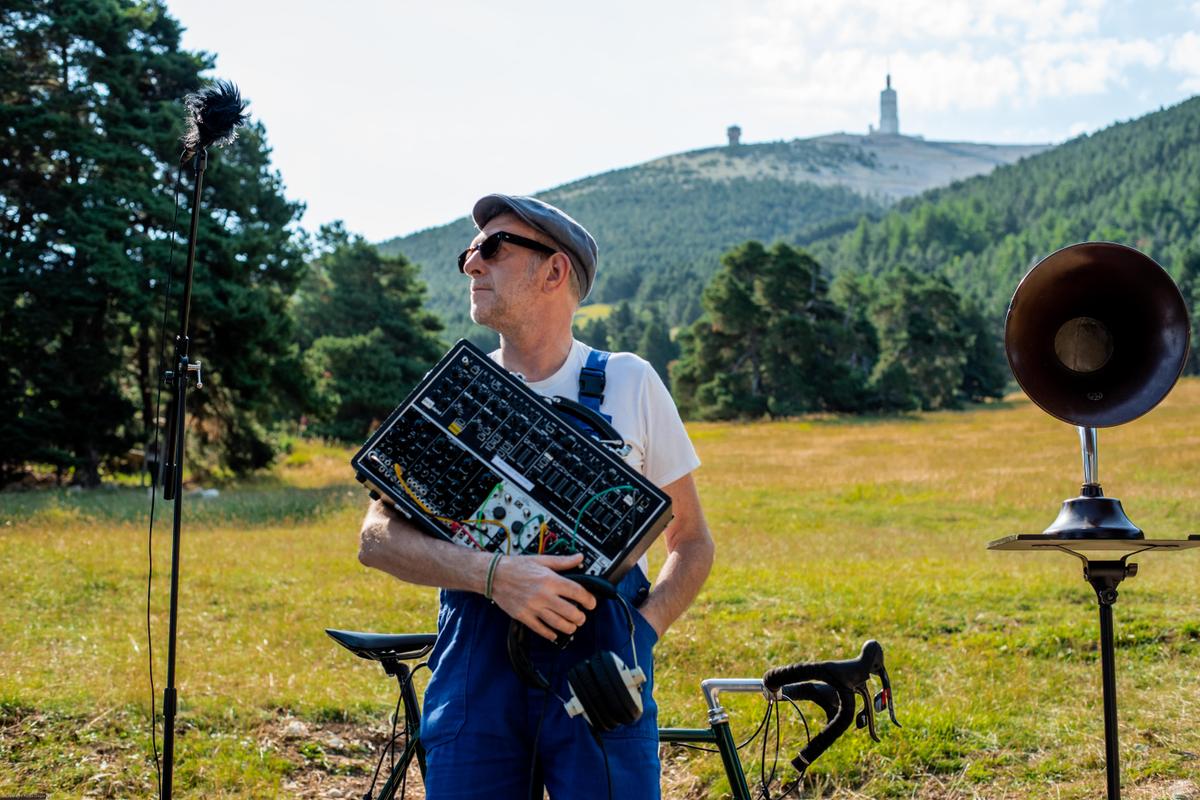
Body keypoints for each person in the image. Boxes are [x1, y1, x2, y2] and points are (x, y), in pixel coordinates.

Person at [358, 194, 714, 799]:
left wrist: (640, 634)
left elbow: (692, 540)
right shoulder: (456, 394)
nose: (472, 264)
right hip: (476, 675)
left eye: (493, 248)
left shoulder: (629, 382)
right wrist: (494, 576)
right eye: (469, 252)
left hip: (599, 668)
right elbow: (376, 539)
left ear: (554, 271)